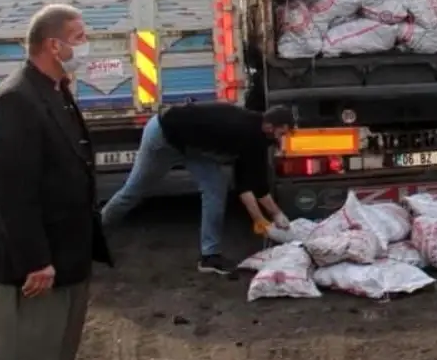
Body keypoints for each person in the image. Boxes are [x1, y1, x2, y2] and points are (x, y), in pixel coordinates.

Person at [0, 4, 113, 360]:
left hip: (68, 254)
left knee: (54, 356)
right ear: (53, 46)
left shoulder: (56, 90)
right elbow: (12, 194)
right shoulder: (16, 100)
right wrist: (36, 261)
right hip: (36, 266)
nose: (86, 46)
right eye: (79, 38)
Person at [101, 101, 296, 275]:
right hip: (164, 136)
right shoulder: (242, 130)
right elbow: (252, 185)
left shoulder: (257, 134)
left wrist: (269, 217)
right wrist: (268, 217)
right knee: (133, 192)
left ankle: (209, 257)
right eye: (282, 133)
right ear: (269, 126)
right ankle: (95, 233)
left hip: (192, 147)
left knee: (215, 188)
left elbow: (250, 183)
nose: (282, 138)